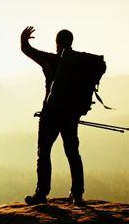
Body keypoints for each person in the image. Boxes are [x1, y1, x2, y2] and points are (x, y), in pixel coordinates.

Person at [21, 26, 84, 205]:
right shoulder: (80, 64)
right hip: (71, 115)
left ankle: (41, 194)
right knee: (72, 152)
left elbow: (27, 50)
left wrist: (24, 39)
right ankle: (77, 193)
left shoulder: (50, 59)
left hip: (50, 114)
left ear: (57, 43)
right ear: (71, 43)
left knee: (44, 152)